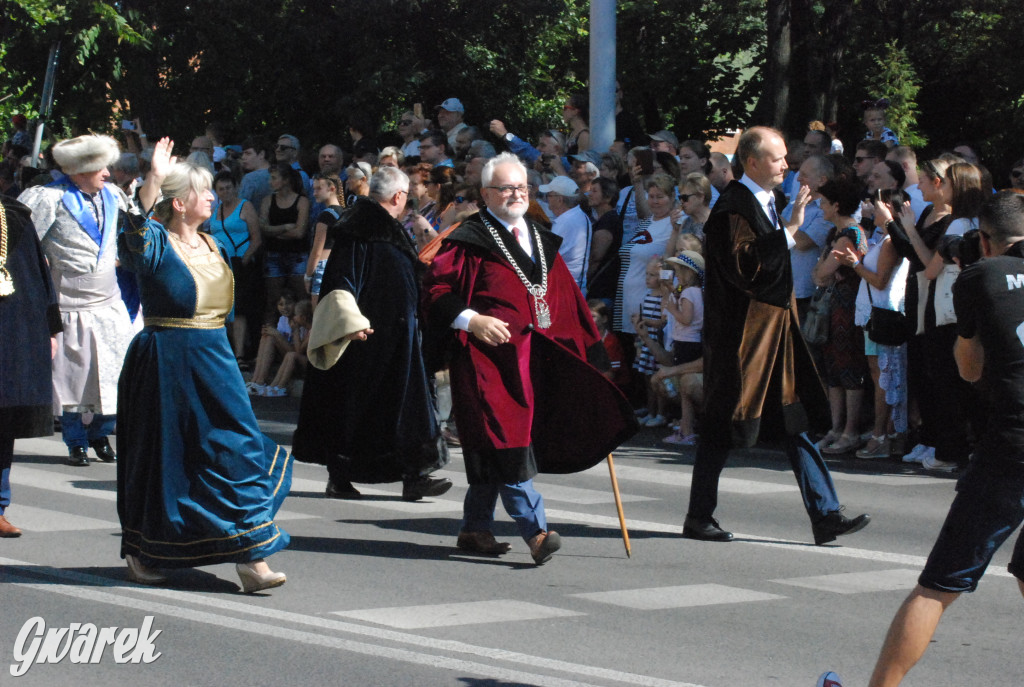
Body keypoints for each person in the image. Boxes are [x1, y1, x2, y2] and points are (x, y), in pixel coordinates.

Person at [422, 152, 635, 564]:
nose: (515, 194)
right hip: (486, 361)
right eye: (505, 188)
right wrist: (472, 320)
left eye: (521, 187)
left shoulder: (539, 236)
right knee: (506, 439)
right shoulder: (468, 238)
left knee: (495, 443)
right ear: (486, 194)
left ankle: (475, 526)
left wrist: (594, 358)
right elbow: (435, 291)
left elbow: (569, 300)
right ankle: (536, 532)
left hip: (532, 360)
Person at [117, 137, 292, 592]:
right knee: (166, 461)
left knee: (239, 451)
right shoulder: (156, 244)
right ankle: (144, 551)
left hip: (215, 359)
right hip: (167, 363)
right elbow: (135, 229)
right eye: (205, 192)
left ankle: (252, 556)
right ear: (179, 203)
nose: (214, 198)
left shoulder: (214, 244)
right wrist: (153, 175)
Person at [684, 127, 870, 546]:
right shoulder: (733, 206)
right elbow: (743, 267)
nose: (785, 165)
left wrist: (787, 227)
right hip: (743, 340)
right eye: (777, 158)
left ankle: (825, 515)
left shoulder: (770, 201)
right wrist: (787, 232)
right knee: (720, 424)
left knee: (795, 420)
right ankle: (698, 516)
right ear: (752, 162)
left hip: (775, 334)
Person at [867, 192, 1024, 687]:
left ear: (983, 239)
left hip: (1013, 445)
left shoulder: (981, 277)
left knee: (937, 585)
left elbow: (970, 369)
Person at [291, 166, 451, 502]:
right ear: (397, 196)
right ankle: (344, 476)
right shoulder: (360, 229)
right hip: (369, 338)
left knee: (402, 408)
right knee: (360, 409)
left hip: (397, 336)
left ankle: (414, 475)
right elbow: (342, 281)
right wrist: (353, 322)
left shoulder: (382, 228)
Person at [18, 134, 136, 467]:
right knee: (73, 379)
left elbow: (138, 227)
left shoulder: (114, 195)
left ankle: (100, 430)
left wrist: (156, 177)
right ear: (79, 170)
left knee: (115, 375)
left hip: (109, 303)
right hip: (69, 303)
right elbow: (23, 244)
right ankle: (76, 441)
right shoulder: (47, 199)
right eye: (99, 168)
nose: (108, 174)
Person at [0, 196, 63, 537]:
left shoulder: (14, 216)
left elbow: (38, 274)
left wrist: (49, 327)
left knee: (3, 420)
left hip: (9, 331)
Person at [811, 179, 869, 455]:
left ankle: (850, 430)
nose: (820, 206)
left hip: (847, 308)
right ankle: (836, 428)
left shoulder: (849, 234)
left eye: (823, 201)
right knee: (833, 370)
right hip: (834, 306)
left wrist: (823, 270)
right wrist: (823, 271)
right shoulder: (836, 234)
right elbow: (820, 274)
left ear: (836, 205)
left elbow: (822, 274)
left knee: (848, 369)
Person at [208, 170, 261, 361]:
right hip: (220, 266)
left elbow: (256, 238)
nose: (225, 192)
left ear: (236, 187)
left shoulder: (245, 207)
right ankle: (229, 349)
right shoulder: (216, 210)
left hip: (241, 264)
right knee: (224, 309)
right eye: (221, 189)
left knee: (239, 309)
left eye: (228, 187)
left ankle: (240, 353)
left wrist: (244, 259)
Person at [660, 251, 705, 446]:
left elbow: (686, 319)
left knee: (683, 389)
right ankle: (685, 428)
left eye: (679, 271)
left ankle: (686, 429)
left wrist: (672, 310)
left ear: (688, 272)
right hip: (690, 342)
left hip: (687, 342)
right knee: (683, 389)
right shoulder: (693, 290)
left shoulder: (688, 292)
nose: (677, 275)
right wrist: (672, 290)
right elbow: (678, 290)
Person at [259, 162, 309, 322]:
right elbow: (263, 229)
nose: (270, 182)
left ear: (286, 180)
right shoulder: (267, 201)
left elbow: (300, 232)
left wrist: (274, 231)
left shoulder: (302, 201)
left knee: (302, 299)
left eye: (274, 178)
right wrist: (286, 227)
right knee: (272, 300)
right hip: (273, 255)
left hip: (297, 255)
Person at [540, 175, 591, 291]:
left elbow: (547, 257)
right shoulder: (577, 216)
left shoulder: (566, 222)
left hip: (566, 288)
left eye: (549, 195)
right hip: (570, 286)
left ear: (560, 199)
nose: (547, 198)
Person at [304, 173, 345, 309]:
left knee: (319, 315)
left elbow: (316, 251)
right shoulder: (346, 213)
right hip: (340, 265)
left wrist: (308, 276)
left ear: (332, 188)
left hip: (323, 267)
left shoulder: (326, 215)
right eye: (313, 189)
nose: (314, 193)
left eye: (318, 189)